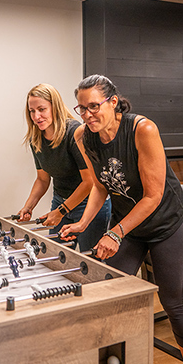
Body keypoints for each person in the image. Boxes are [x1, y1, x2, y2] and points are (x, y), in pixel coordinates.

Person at [60, 74, 183, 364]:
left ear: (113, 102)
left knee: (173, 302)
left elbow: (153, 195)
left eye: (94, 106)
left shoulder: (142, 129)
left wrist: (115, 232)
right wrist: (83, 223)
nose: (87, 115)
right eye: (81, 109)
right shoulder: (83, 136)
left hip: (166, 224)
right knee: (111, 295)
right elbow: (100, 186)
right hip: (129, 226)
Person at [17, 84, 111, 251]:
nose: (36, 116)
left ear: (55, 107)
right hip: (61, 201)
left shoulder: (74, 132)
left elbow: (89, 182)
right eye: (32, 111)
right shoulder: (36, 139)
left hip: (89, 204)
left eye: (42, 109)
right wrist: (28, 206)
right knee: (56, 255)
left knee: (90, 260)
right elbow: (42, 179)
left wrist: (60, 212)